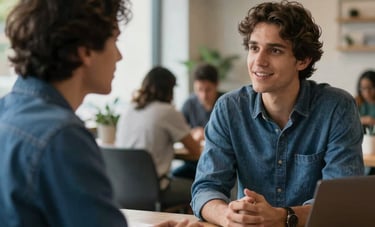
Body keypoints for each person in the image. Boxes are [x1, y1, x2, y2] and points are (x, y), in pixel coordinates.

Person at [0, 0, 200, 226]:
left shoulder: (6, 111)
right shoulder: (62, 136)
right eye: (114, 41)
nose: (119, 56)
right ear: (85, 51)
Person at [191, 1, 364, 227]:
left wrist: (284, 217)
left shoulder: (336, 108)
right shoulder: (229, 108)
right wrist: (229, 217)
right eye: (254, 48)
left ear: (303, 60)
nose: (258, 61)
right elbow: (206, 188)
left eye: (275, 50)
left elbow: (342, 203)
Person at [115, 66, 201, 205]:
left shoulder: (128, 110)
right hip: (155, 190)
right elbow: (195, 150)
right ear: (170, 89)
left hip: (123, 189)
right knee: (201, 190)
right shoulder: (167, 111)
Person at [172, 63, 223, 179]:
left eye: (208, 90)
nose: (203, 95)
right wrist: (192, 133)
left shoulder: (226, 103)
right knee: (173, 176)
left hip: (218, 166)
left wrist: (206, 134)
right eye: (199, 90)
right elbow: (179, 133)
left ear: (217, 85)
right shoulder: (189, 104)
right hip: (192, 164)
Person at [355, 70, 375, 175]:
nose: (367, 92)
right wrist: (364, 120)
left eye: (371, 88)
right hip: (362, 147)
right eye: (363, 88)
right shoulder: (357, 102)